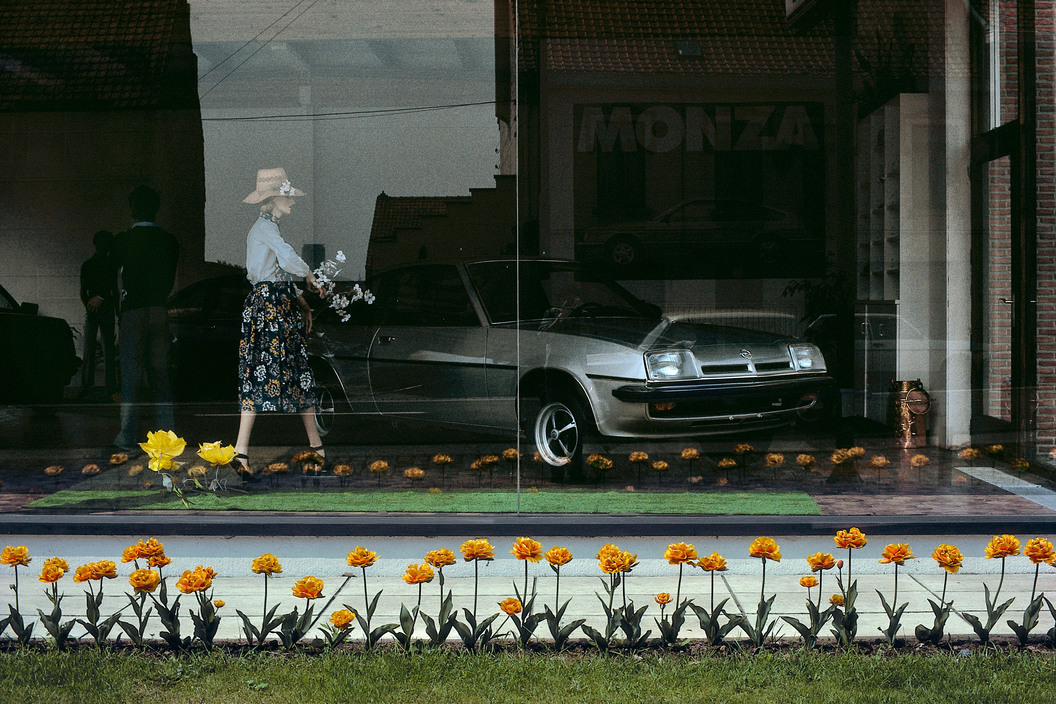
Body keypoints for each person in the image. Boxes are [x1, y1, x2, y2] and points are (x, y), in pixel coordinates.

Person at [233, 168, 325, 471]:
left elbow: (277, 272)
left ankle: (244, 452)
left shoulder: (268, 228)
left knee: (289, 372)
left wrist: (301, 301)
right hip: (270, 310)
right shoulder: (264, 229)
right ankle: (243, 451)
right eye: (287, 197)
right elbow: (285, 259)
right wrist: (309, 274)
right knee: (275, 373)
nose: (292, 202)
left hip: (276, 307)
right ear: (273, 200)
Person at [111, 185, 179, 450]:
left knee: (132, 375)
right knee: (161, 373)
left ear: (132, 208)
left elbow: (114, 274)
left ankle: (128, 437)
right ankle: (167, 437)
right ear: (156, 208)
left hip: (133, 310)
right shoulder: (170, 241)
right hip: (159, 309)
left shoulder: (123, 240)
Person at [79, 229, 118, 397]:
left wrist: (89, 306)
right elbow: (113, 290)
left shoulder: (87, 265)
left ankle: (87, 385)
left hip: (93, 310)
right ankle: (111, 386)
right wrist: (118, 311)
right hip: (107, 309)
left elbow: (83, 291)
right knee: (108, 347)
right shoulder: (110, 264)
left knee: (89, 348)